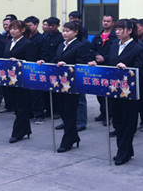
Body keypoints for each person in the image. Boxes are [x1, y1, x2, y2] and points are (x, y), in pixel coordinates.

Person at [90, 19, 143, 165]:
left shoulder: (138, 47)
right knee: (118, 122)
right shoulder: (114, 45)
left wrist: (127, 68)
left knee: (128, 123)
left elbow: (141, 69)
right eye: (117, 29)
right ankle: (126, 150)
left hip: (130, 92)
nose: (118, 32)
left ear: (130, 31)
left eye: (121, 29)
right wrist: (97, 64)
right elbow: (109, 63)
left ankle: (123, 153)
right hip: (115, 89)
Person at [39, 21, 92, 152]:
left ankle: (67, 141)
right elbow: (56, 59)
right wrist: (45, 62)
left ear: (76, 32)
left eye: (68, 31)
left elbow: (81, 64)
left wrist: (67, 65)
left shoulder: (81, 45)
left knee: (70, 112)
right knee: (62, 110)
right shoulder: (61, 45)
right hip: (60, 82)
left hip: (72, 83)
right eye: (63, 31)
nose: (65, 33)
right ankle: (74, 136)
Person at [4, 20, 36, 144]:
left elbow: (31, 61)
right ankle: (26, 129)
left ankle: (17, 133)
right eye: (11, 28)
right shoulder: (9, 42)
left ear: (22, 30)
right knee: (17, 107)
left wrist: (18, 61)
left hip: (22, 79)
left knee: (21, 106)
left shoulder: (27, 43)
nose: (12, 31)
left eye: (15, 29)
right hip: (10, 78)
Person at [24, 16, 52, 124]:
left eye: (30, 25)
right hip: (26, 68)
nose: (28, 28)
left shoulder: (42, 39)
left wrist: (40, 62)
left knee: (37, 93)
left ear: (36, 25)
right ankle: (29, 112)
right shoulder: (24, 38)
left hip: (37, 68)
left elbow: (46, 54)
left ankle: (39, 114)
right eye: (26, 26)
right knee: (27, 93)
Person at [91, 14, 117, 126]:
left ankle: (108, 116)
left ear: (113, 23)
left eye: (108, 21)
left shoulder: (115, 37)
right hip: (98, 68)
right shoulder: (97, 37)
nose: (105, 23)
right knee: (99, 93)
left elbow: (114, 52)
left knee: (109, 93)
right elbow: (91, 50)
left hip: (109, 67)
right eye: (104, 21)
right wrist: (96, 56)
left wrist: (104, 58)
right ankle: (103, 113)